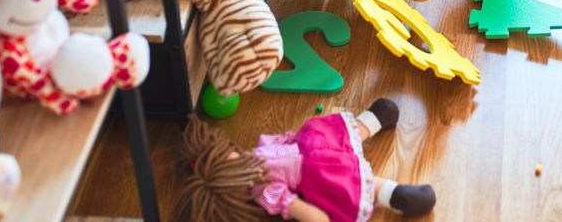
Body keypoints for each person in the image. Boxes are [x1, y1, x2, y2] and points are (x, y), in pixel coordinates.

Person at [174, 98, 436, 222]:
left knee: (345, 132)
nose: (234, 157)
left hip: (311, 144)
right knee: (356, 181)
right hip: (317, 174)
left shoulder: (253, 154)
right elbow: (310, 215)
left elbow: (279, 142)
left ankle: (376, 119)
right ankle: (395, 194)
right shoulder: (264, 190)